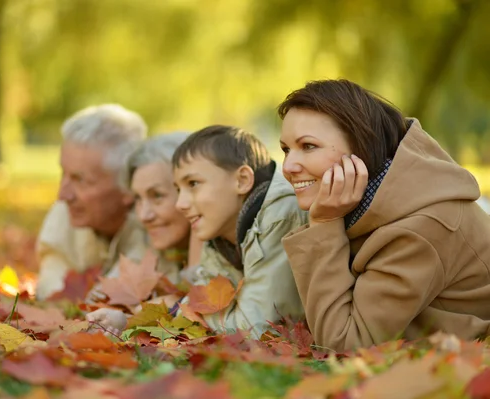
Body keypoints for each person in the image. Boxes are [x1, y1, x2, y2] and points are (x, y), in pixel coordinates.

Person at [278, 79, 490, 351]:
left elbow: (344, 345)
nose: (288, 166)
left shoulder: (418, 228)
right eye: (286, 149)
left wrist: (324, 224)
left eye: (308, 146)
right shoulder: (362, 205)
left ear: (361, 147)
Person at [172, 125, 309, 338]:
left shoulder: (281, 214)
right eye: (178, 189)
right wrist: (182, 309)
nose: (180, 203)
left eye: (193, 183)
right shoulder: (222, 230)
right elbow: (204, 297)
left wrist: (183, 310)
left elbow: (257, 329)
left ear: (242, 180)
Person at [85, 133, 202, 332]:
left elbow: (205, 309)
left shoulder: (227, 247)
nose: (144, 215)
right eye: (138, 199)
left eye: (157, 196)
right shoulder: (144, 237)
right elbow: (99, 303)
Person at [35, 104, 149, 300]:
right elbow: (53, 294)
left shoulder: (155, 223)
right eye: (64, 173)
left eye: (81, 179)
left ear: (129, 186)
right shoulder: (65, 213)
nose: (63, 195)